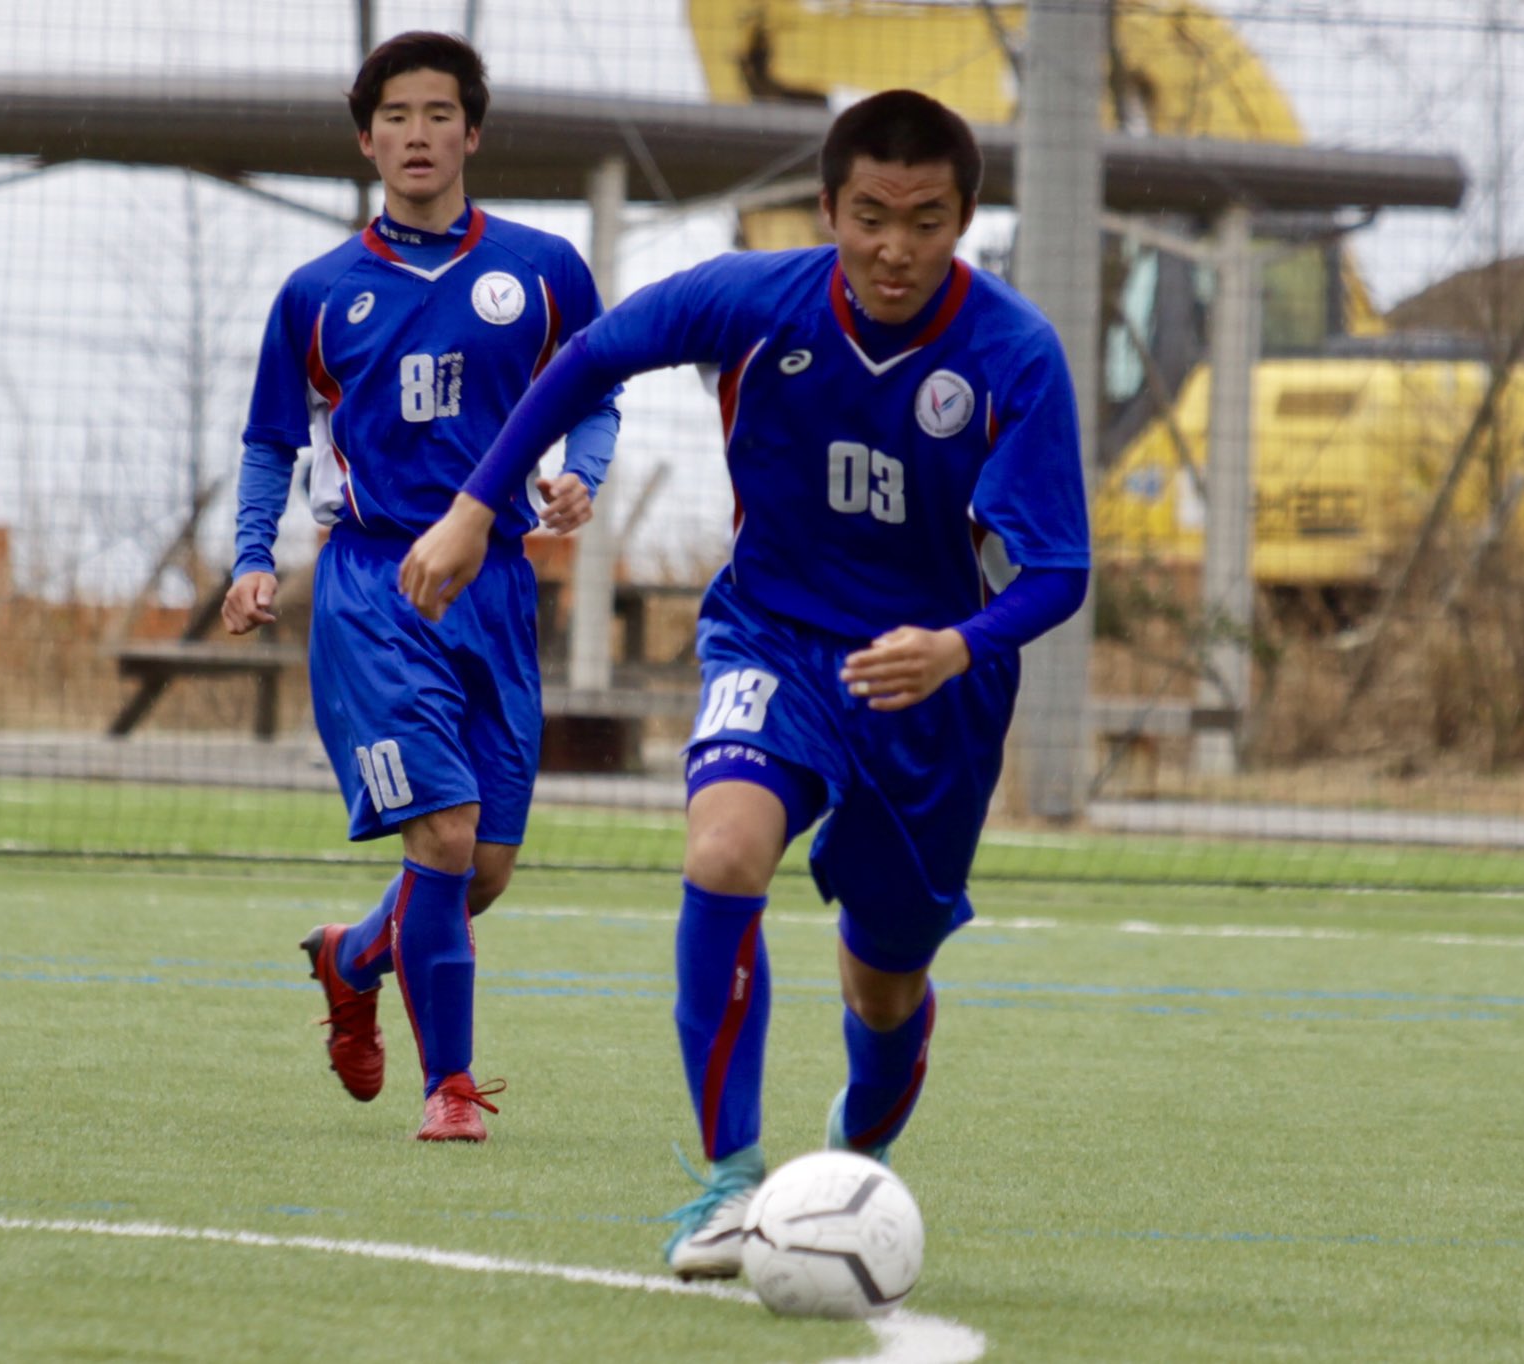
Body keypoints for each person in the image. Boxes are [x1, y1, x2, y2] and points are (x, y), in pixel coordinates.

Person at [399, 89, 1089, 1268]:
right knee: (722, 850)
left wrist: (955, 647)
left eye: (925, 221)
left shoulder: (1012, 354)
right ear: (826, 208)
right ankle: (725, 1181)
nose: (893, 246)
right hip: (770, 637)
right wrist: (475, 506)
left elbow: (1059, 568)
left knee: (883, 981)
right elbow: (586, 357)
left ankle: (853, 1139)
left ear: (963, 221)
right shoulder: (752, 300)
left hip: (931, 695)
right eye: (869, 215)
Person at [222, 31, 620, 1144]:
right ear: (366, 139)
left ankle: (352, 958)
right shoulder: (316, 293)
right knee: (441, 838)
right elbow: (269, 441)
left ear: (471, 133)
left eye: (437, 113)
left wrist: (578, 477)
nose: (415, 133)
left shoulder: (543, 270)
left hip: (494, 590)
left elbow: (594, 395)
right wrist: (253, 554)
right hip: (373, 590)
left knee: (481, 867)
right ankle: (451, 1086)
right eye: (394, 115)